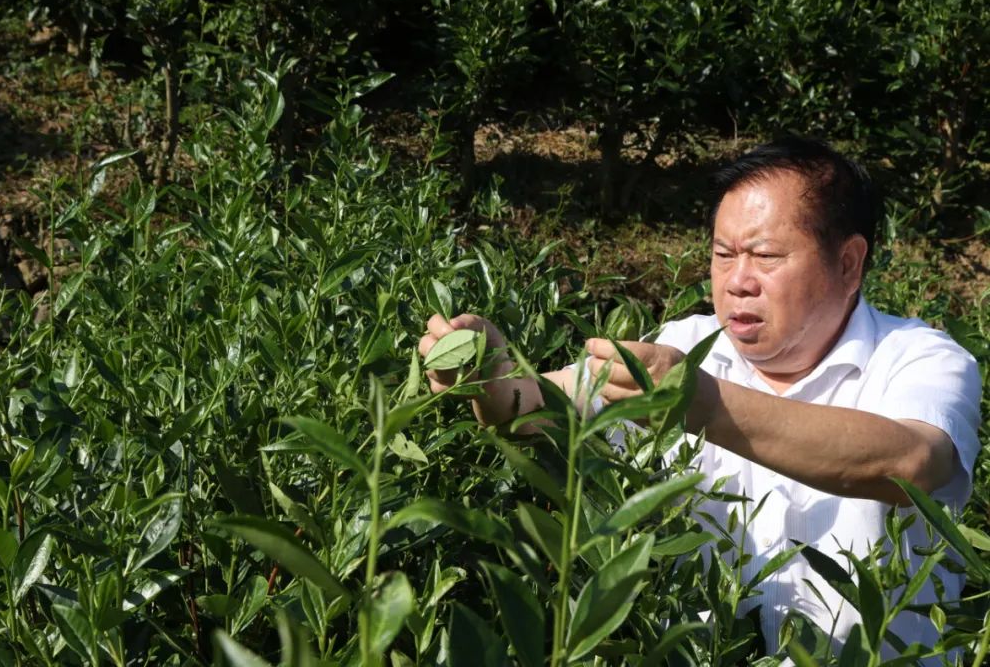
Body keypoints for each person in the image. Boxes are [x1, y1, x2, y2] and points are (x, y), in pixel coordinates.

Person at [418, 137, 982, 658]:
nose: (737, 280)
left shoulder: (920, 359)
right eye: (722, 254)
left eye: (765, 256)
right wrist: (489, 377)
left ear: (848, 262)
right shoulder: (683, 346)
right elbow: (537, 409)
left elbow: (908, 462)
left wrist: (702, 403)